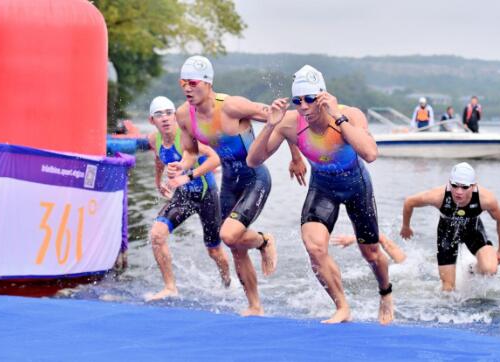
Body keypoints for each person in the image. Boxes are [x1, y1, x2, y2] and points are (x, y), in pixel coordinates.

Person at [247, 65, 394, 324]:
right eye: (297, 100)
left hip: (356, 185)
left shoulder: (350, 115)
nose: (303, 106)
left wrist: (337, 116)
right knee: (314, 247)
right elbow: (253, 160)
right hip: (323, 186)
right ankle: (342, 306)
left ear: (323, 97)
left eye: (310, 99)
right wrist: (270, 126)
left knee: (371, 254)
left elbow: (370, 154)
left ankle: (385, 292)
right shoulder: (289, 124)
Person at [173, 56, 307, 316]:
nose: (187, 88)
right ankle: (255, 305)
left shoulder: (232, 106)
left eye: (193, 82)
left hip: (255, 177)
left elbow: (281, 120)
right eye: (183, 83)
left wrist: (296, 156)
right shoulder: (183, 115)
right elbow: (190, 152)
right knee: (234, 246)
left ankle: (264, 241)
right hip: (230, 182)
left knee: (229, 234)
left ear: (208, 84)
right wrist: (181, 165)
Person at [144, 96, 231, 301]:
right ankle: (170, 287)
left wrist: (189, 175)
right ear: (152, 120)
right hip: (183, 195)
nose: (164, 118)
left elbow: (215, 158)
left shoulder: (186, 137)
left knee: (214, 251)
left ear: (175, 116)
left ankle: (228, 282)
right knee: (157, 235)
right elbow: (159, 158)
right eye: (159, 115)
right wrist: (158, 181)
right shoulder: (152, 139)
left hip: (206, 195)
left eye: (168, 113)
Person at [399, 162, 500, 292]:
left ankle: (472, 269)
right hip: (447, 233)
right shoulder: (439, 196)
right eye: (455, 186)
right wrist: (406, 226)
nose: (458, 192)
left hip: (473, 231)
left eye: (464, 187)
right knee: (448, 290)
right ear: (450, 183)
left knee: (490, 270)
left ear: (473, 186)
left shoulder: (485, 199)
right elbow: (409, 202)